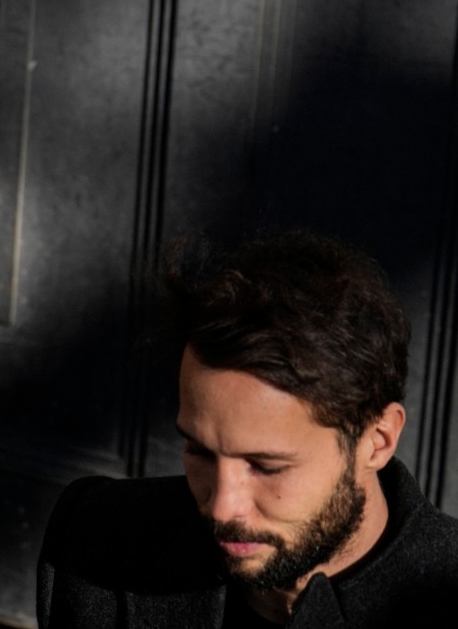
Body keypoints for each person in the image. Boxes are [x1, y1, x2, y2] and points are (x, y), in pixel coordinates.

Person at [36, 227, 458, 628]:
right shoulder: (99, 540)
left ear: (377, 441)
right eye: (198, 451)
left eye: (265, 465)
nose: (222, 508)